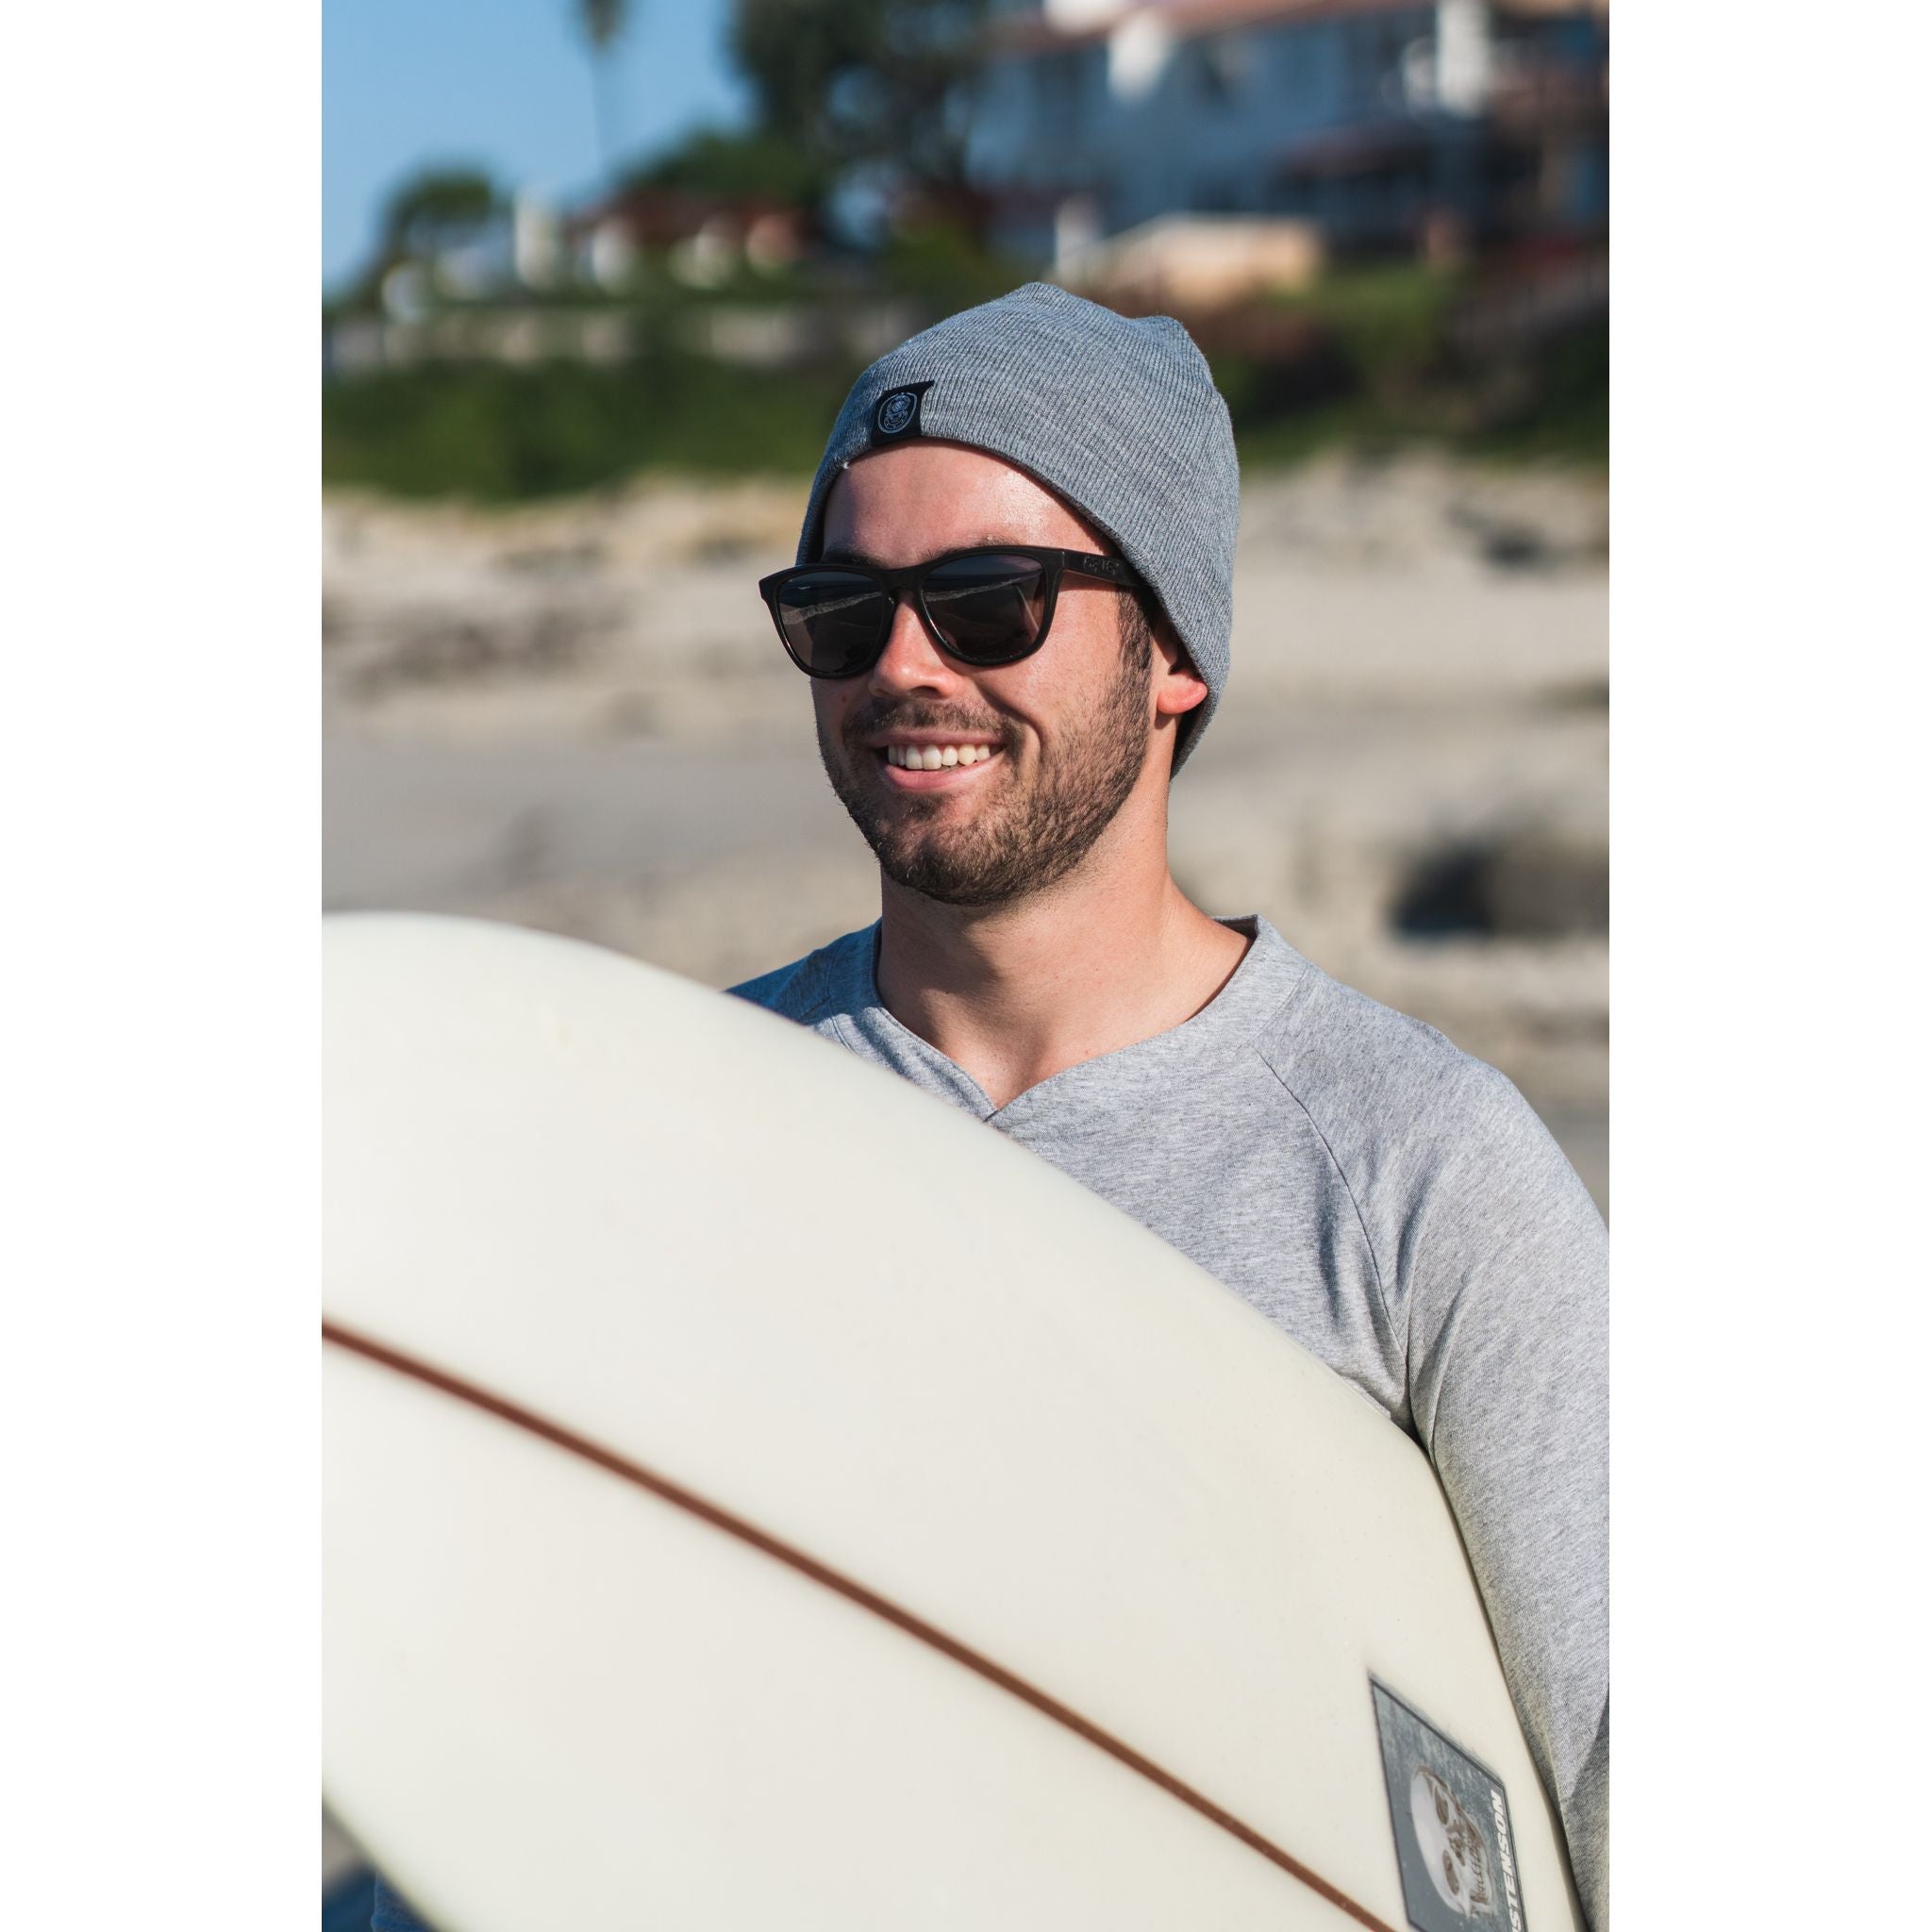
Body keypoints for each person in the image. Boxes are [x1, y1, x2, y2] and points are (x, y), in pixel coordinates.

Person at [370, 281, 1607, 1932]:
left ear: (1170, 649)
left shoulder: (1413, 1171)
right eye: (840, 610)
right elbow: (494, 1741)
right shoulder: (687, 1121)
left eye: (987, 602)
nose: (901, 667)